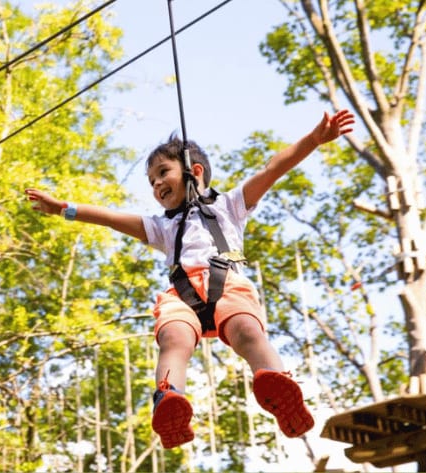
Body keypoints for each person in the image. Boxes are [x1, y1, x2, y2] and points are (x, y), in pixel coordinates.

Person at [25, 109, 355, 449]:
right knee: (173, 339)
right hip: (182, 297)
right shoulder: (162, 227)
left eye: (162, 173)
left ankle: (276, 382)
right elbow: (110, 218)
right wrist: (64, 208)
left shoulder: (230, 206)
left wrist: (313, 140)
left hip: (227, 285)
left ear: (194, 171)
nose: (156, 185)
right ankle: (169, 398)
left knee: (247, 331)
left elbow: (272, 169)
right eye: (151, 181)